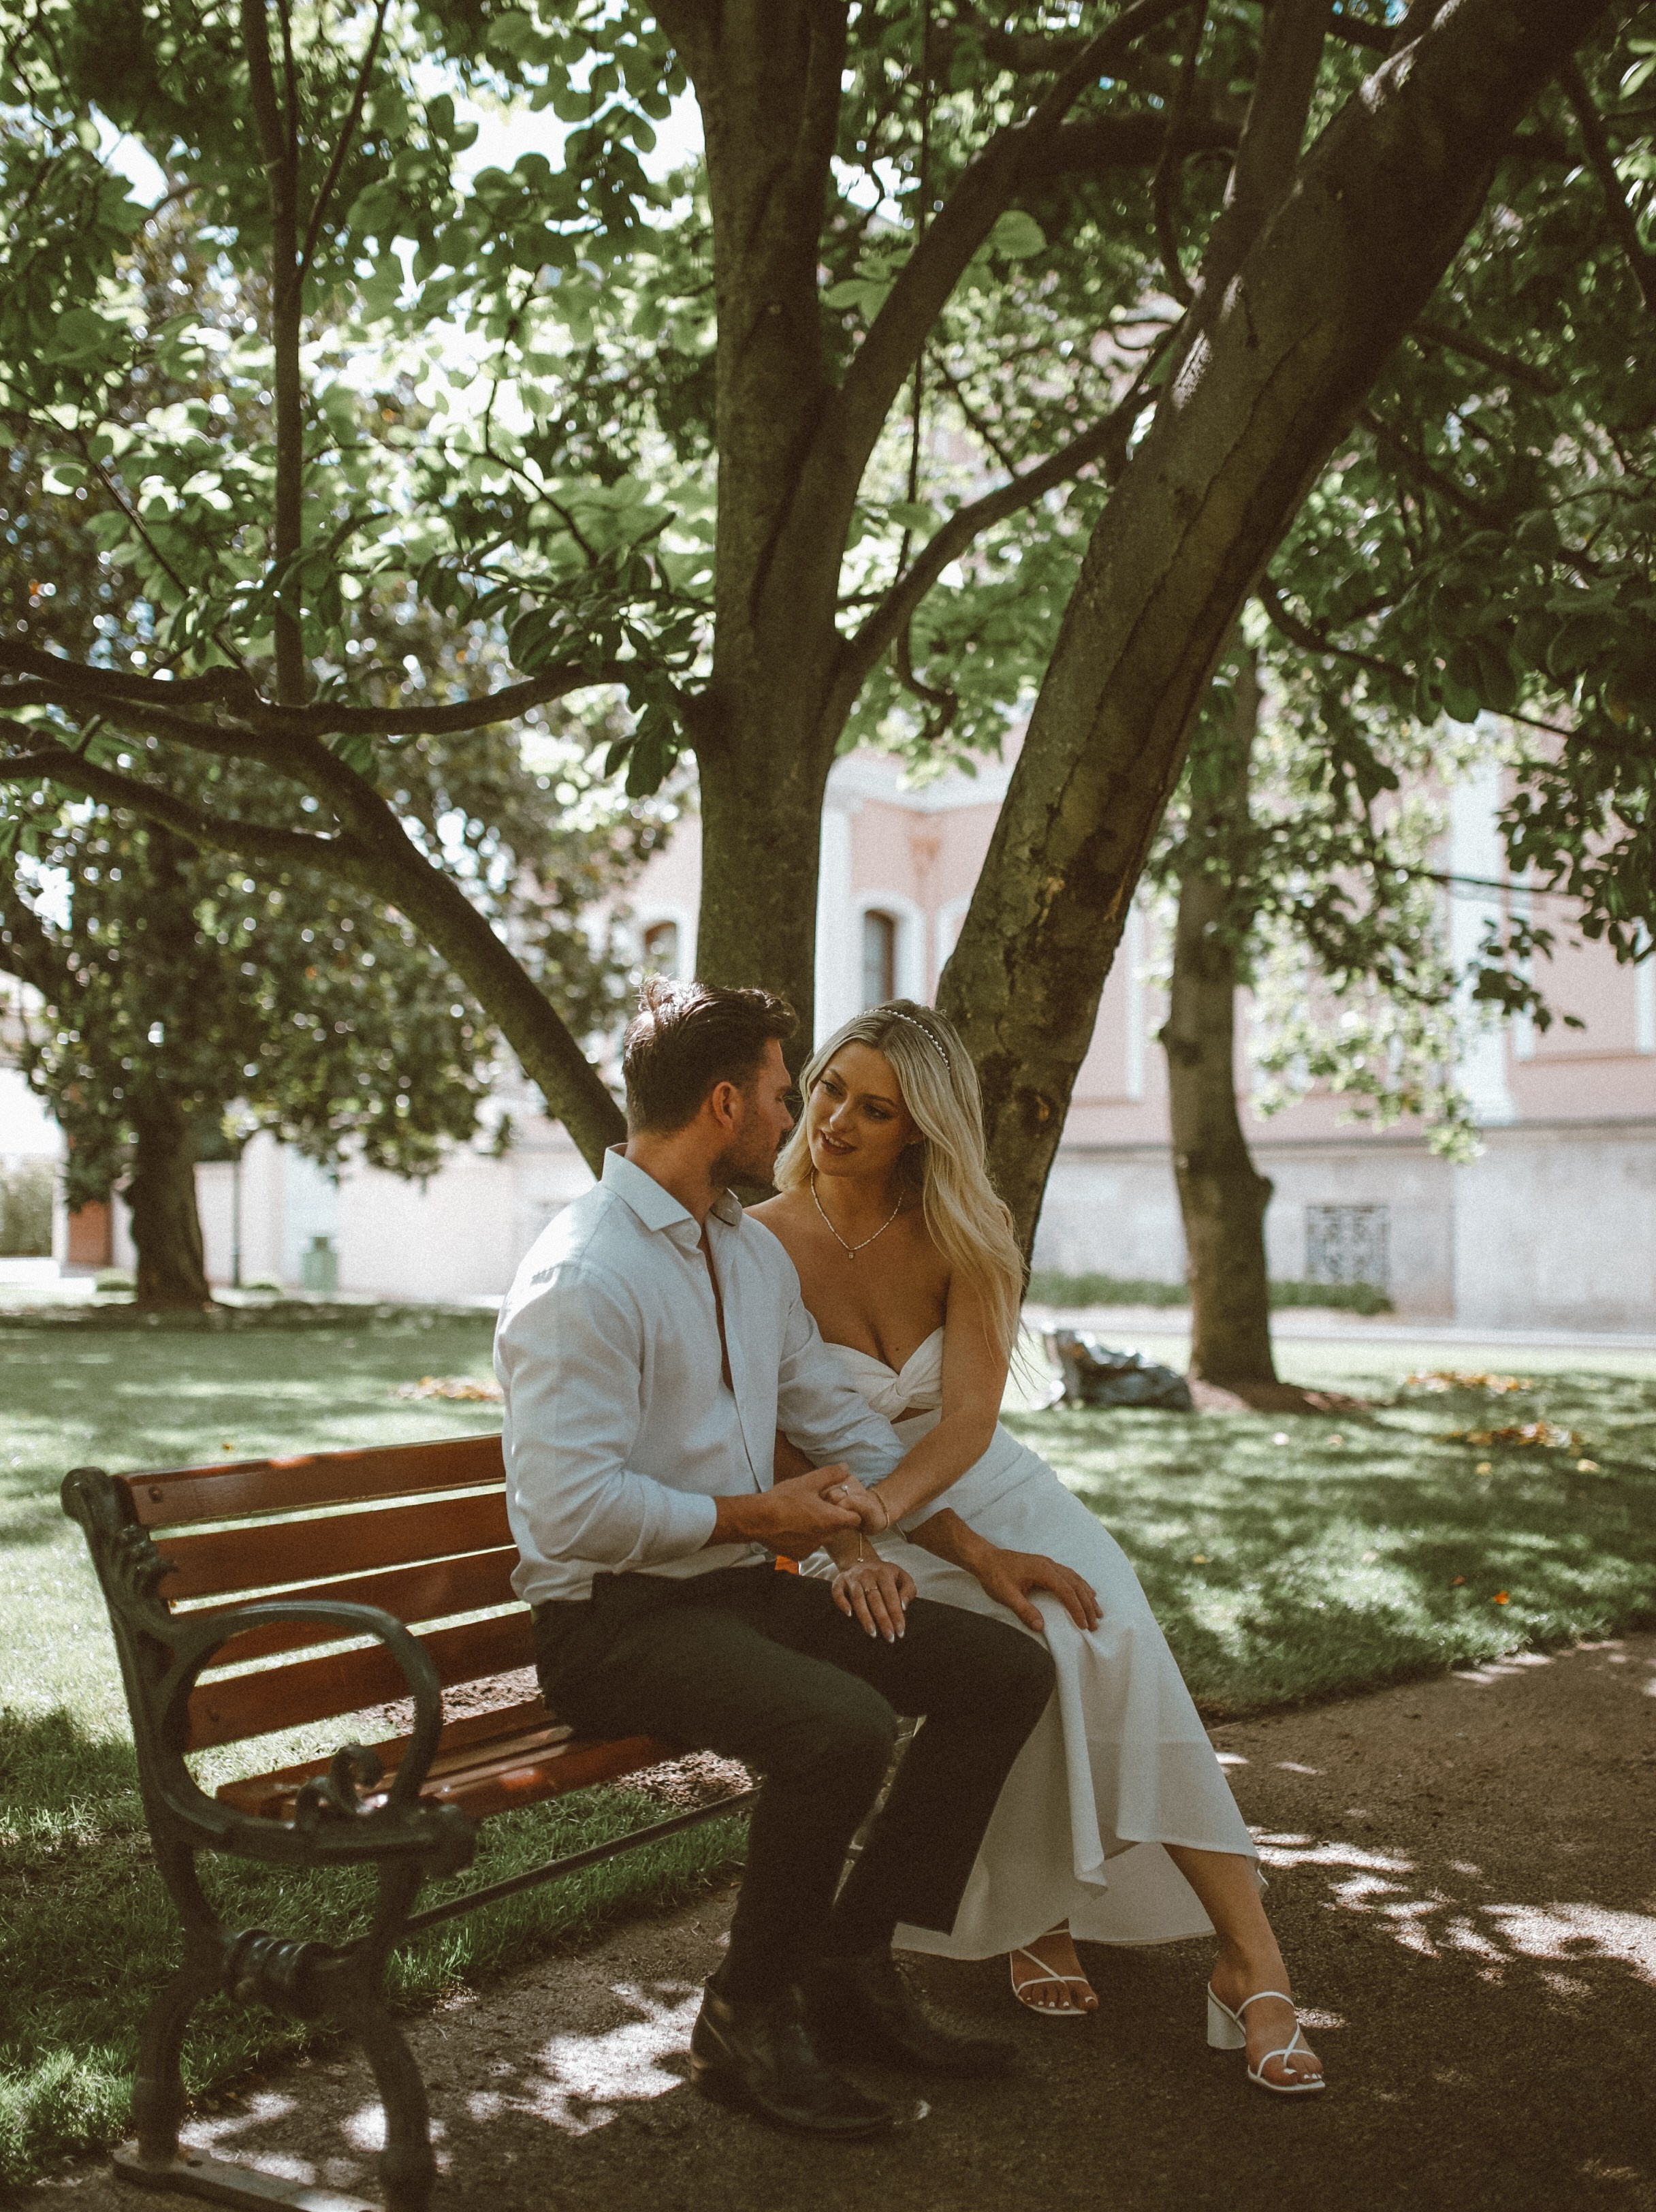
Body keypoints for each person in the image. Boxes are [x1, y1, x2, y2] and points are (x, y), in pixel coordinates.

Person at [494, 979, 1060, 2140]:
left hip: (734, 1595)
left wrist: (878, 1525)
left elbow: (840, 1422)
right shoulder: (584, 1276)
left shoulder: (740, 1252)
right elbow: (571, 1514)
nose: (794, 1115)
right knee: (842, 1727)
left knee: (1002, 1672)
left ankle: (849, 1966)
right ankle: (746, 2015)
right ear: (721, 1104)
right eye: (779, 1091)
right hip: (613, 1624)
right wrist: (762, 1518)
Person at [750, 998, 1325, 2097]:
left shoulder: (971, 1227)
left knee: (1109, 1641)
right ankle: (1034, 1911)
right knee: (1027, 1659)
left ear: (920, 1128)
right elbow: (781, 1440)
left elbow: (964, 1422)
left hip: (985, 1485)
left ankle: (1251, 1956)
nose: (839, 1122)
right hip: (858, 1526)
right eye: (829, 1090)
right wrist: (861, 1539)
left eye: (877, 1109)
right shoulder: (760, 1244)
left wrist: (903, 1513)